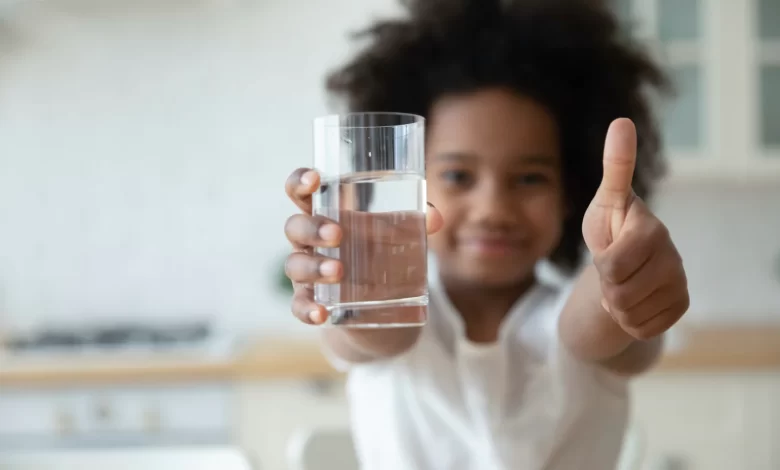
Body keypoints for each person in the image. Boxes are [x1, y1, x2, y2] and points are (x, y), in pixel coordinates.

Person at [283, 0, 690, 468]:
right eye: (458, 176)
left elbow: (591, 328)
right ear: (407, 180)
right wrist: (346, 277)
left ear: (570, 191)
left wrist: (622, 275)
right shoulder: (386, 311)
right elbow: (374, 333)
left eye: (529, 178)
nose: (493, 209)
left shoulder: (582, 315)